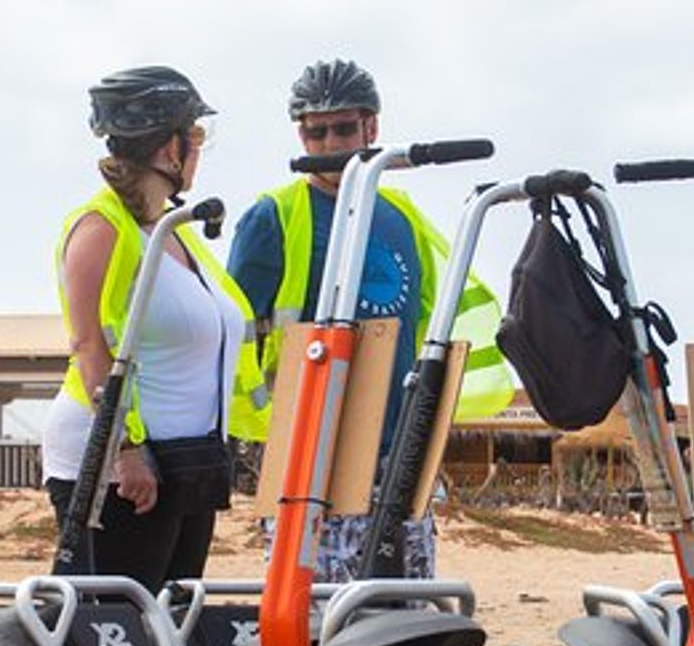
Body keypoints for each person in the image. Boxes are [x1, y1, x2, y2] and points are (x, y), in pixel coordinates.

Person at [226, 58, 511, 582]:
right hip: (312, 449)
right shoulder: (274, 217)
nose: (330, 144)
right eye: (316, 132)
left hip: (397, 445)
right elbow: (233, 333)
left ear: (372, 127)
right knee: (321, 605)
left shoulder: (400, 216)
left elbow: (423, 325)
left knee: (407, 597)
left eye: (343, 128)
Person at [40, 67, 268, 593]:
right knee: (116, 628)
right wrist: (124, 449)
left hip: (187, 463)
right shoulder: (101, 227)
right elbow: (88, 341)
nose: (198, 150)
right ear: (170, 148)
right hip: (119, 465)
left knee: (169, 624)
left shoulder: (174, 231)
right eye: (196, 137)